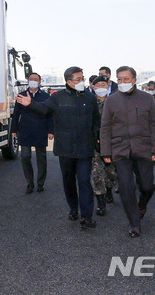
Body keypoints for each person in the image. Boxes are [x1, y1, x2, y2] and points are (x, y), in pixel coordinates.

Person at [16, 66, 101, 229]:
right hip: (65, 148)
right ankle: (73, 209)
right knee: (69, 181)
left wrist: (97, 138)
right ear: (68, 81)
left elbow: (96, 119)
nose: (81, 81)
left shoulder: (90, 98)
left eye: (82, 78)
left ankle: (87, 216)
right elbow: (43, 108)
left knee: (84, 181)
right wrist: (30, 104)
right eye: (78, 79)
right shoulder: (58, 97)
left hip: (85, 147)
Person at [101, 66, 155, 238]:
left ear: (134, 80)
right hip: (120, 150)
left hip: (144, 149)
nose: (122, 82)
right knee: (126, 187)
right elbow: (105, 127)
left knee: (147, 185)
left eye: (126, 79)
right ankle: (134, 223)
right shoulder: (111, 100)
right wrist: (106, 152)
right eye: (119, 79)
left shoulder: (147, 99)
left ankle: (142, 203)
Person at [11, 72, 54, 194]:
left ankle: (40, 183)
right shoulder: (22, 95)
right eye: (31, 79)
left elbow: (50, 115)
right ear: (28, 81)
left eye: (36, 79)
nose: (33, 81)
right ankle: (29, 183)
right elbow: (16, 115)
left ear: (40, 82)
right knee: (25, 156)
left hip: (41, 130)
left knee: (41, 158)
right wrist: (13, 129)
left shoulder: (46, 96)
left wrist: (51, 130)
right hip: (25, 131)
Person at [90, 76, 117, 216]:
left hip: (112, 143)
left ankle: (109, 190)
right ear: (93, 87)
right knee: (96, 173)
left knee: (111, 171)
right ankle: (100, 202)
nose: (101, 87)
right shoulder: (89, 102)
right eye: (98, 84)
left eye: (103, 84)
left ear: (108, 86)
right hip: (94, 143)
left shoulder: (114, 101)